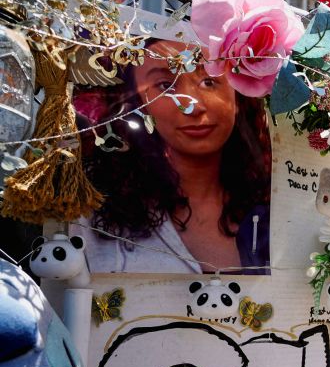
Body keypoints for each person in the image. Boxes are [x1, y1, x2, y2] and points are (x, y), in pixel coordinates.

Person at [74, 40, 271, 275]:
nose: (192, 106)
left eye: (209, 81)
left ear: (238, 96)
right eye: (165, 85)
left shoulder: (278, 203)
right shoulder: (88, 204)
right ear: (139, 104)